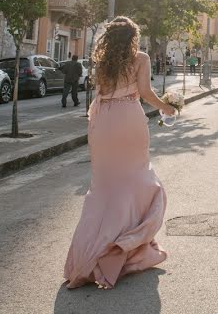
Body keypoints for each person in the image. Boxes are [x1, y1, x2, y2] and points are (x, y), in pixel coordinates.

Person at [64, 17, 178, 290]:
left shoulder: (103, 62)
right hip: (128, 118)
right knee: (137, 181)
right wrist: (168, 107)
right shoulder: (140, 58)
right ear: (133, 37)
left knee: (103, 188)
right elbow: (145, 92)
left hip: (103, 122)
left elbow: (100, 94)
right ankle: (125, 245)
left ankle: (87, 254)